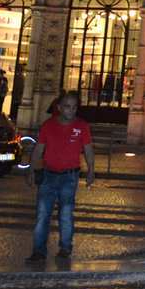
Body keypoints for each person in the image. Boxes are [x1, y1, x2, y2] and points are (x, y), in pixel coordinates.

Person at [27, 91, 95, 263]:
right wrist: (31, 170)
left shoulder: (82, 126)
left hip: (69, 177)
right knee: (43, 215)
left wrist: (91, 170)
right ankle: (39, 250)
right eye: (67, 107)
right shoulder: (48, 126)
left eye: (74, 107)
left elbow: (88, 150)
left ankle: (65, 248)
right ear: (59, 108)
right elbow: (38, 149)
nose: (71, 111)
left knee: (66, 213)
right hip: (48, 176)